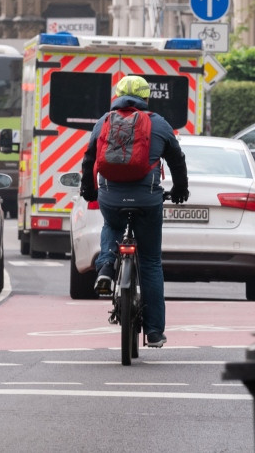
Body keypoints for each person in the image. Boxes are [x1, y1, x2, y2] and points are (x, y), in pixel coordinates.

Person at [79, 75, 189, 349]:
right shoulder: (158, 123)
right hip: (147, 199)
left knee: (112, 226)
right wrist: (179, 190)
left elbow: (90, 157)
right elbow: (177, 159)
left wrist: (90, 190)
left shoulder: (105, 121)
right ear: (145, 97)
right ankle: (153, 332)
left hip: (111, 196)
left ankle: (105, 266)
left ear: (117, 95)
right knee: (150, 262)